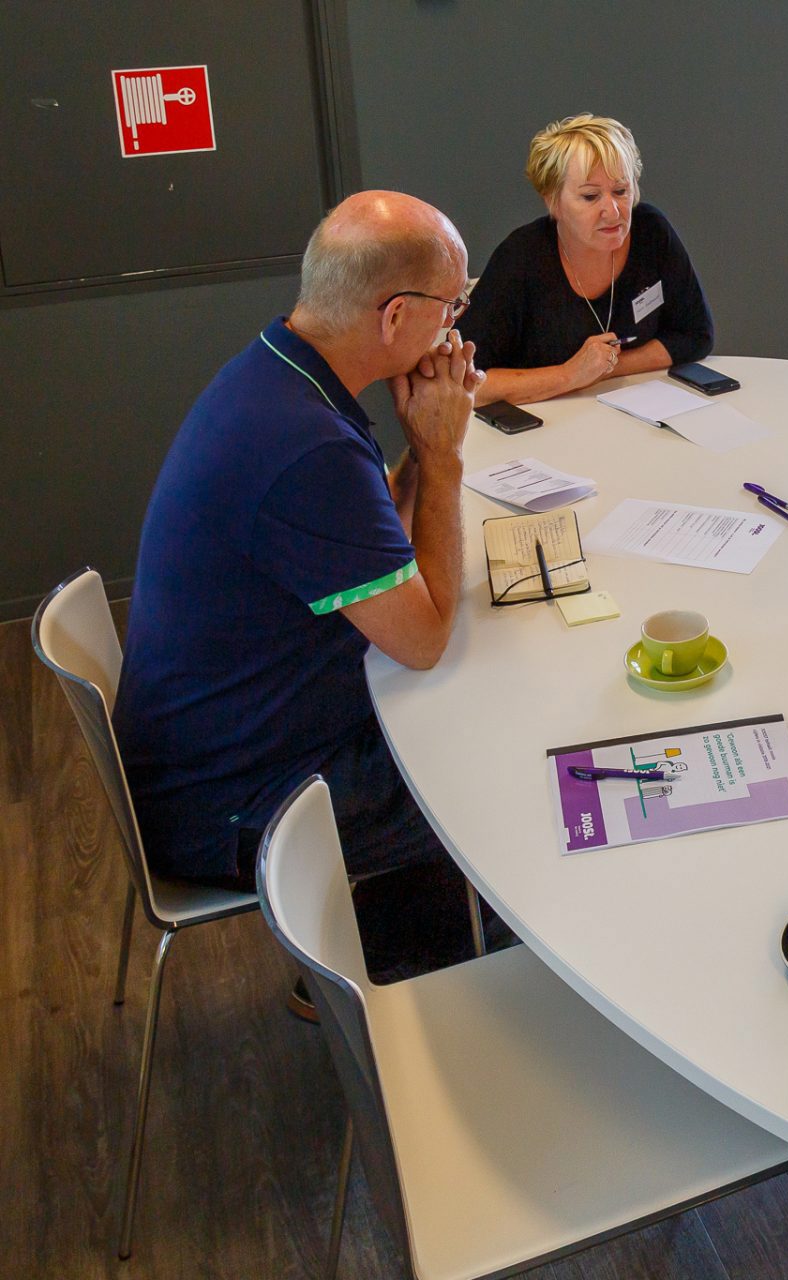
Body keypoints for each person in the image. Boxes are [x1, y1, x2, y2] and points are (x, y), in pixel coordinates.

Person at [115, 191, 488, 991]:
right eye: (452, 305)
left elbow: (372, 545)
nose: (455, 325)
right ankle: (382, 978)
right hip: (233, 805)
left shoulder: (281, 373)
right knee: (490, 777)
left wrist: (421, 448)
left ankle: (395, 944)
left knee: (464, 722)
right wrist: (443, 458)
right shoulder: (306, 445)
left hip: (213, 750)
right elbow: (422, 639)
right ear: (395, 317)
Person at [463, 113, 713, 404]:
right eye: (591, 197)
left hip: (627, 407)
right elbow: (464, 381)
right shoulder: (520, 258)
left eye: (621, 191)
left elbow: (696, 335)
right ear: (553, 201)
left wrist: (606, 368)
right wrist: (571, 375)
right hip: (544, 419)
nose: (613, 211)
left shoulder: (651, 232)